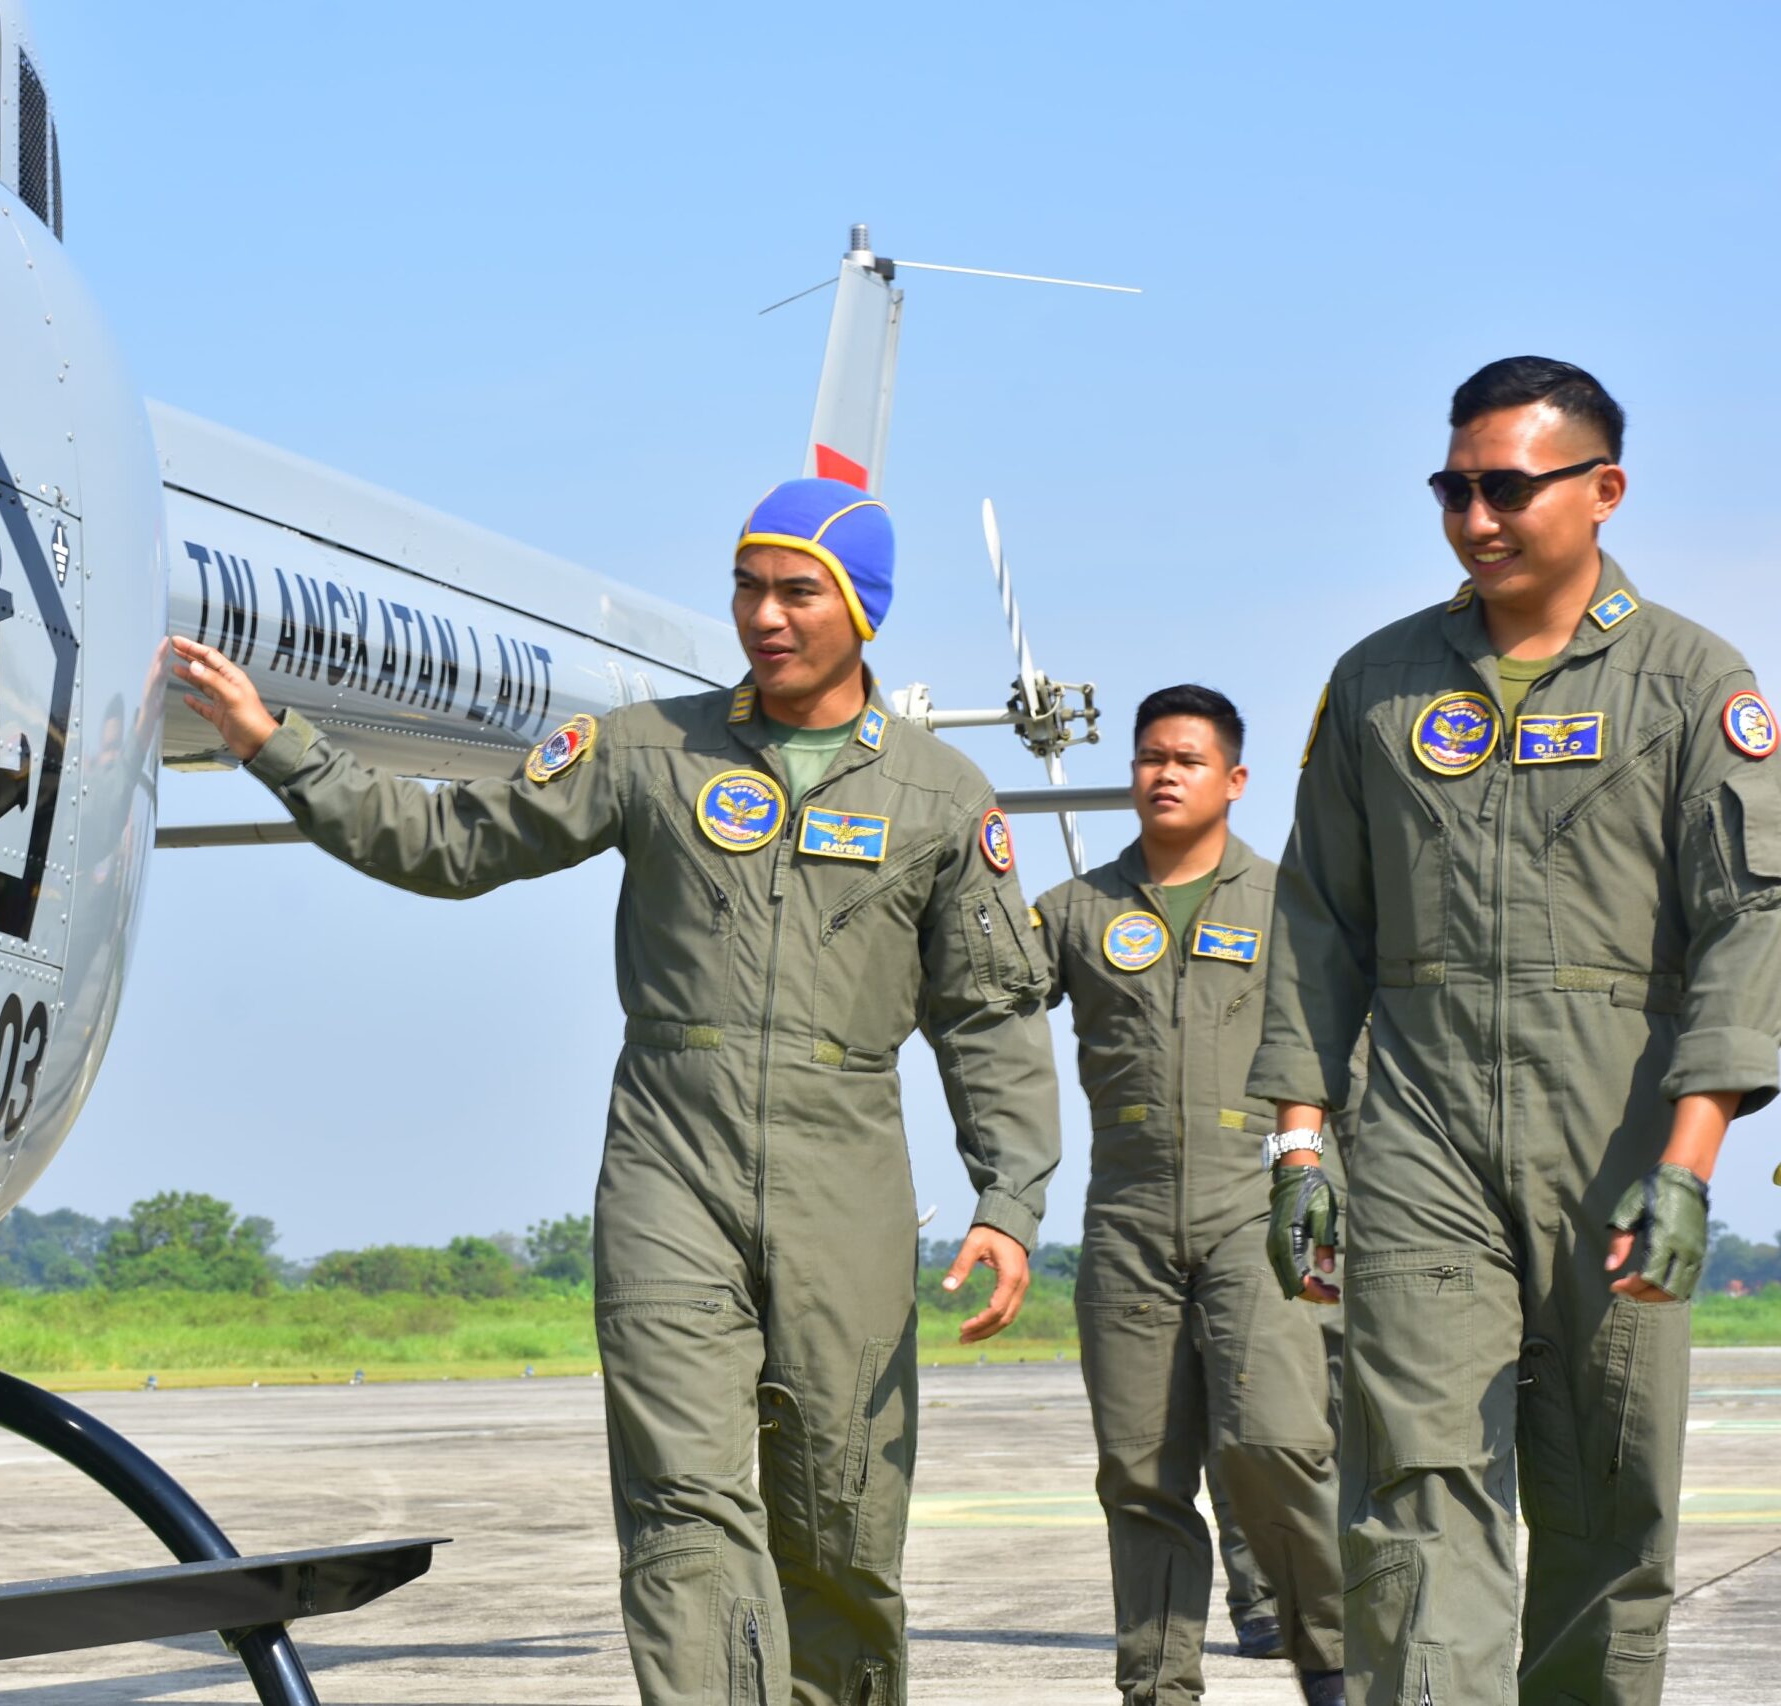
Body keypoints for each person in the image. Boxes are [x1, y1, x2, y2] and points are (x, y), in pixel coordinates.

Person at [174, 476, 1061, 1705]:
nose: (764, 615)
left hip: (845, 1168)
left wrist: (1008, 1198)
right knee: (682, 1501)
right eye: (747, 586)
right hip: (668, 1163)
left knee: (841, 1518)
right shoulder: (644, 749)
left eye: (797, 591)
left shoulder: (940, 795)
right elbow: (450, 844)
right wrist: (282, 746)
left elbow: (987, 1012)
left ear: (864, 610)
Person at [1255, 357, 1781, 1702]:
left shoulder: (1690, 681)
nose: (1475, 517)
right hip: (1417, 1127)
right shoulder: (1376, 684)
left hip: (1614, 1127)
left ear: (1604, 490)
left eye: (1504, 487)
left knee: (1607, 1494)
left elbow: (1749, 921)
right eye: (1452, 489)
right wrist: (1300, 1144)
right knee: (1414, 1484)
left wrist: (1688, 1161)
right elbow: (1319, 923)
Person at [1032, 684, 1345, 1706]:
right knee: (1138, 1473)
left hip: (1257, 1196)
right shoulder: (1074, 911)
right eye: (1148, 758)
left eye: (1187, 759)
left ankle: (1334, 1663)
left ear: (1235, 780)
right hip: (1125, 1211)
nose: (1163, 774)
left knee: (1274, 1441)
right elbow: (975, 996)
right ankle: (1158, 1685)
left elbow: (1348, 1052)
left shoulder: (1290, 904)